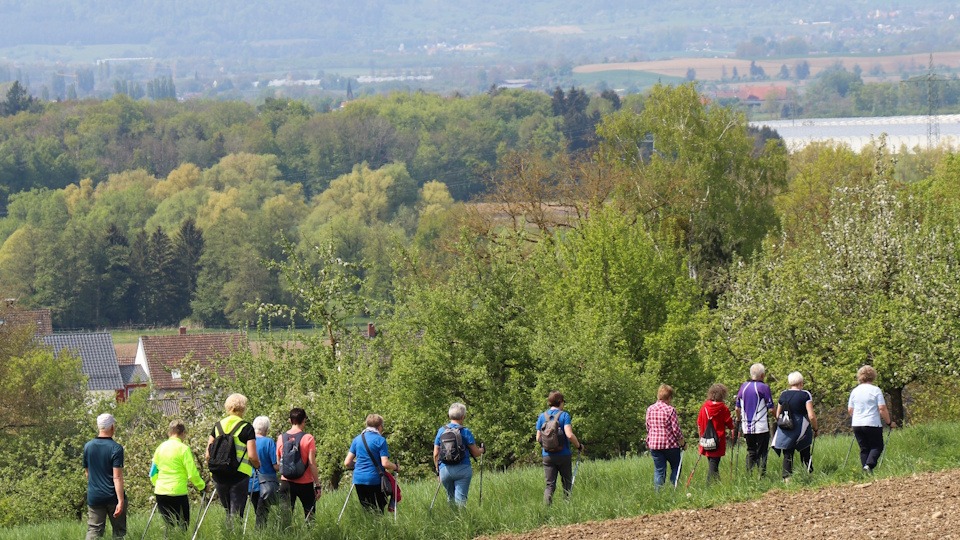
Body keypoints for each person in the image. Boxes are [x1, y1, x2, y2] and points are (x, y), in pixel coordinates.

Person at [205, 393, 260, 527]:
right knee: (236, 514)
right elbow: (252, 456)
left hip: (219, 475)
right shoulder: (246, 427)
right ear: (243, 408)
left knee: (228, 511)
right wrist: (258, 465)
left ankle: (228, 534)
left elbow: (207, 454)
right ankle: (235, 534)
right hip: (239, 475)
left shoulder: (217, 426)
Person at [149, 420, 205, 532]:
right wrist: (202, 486)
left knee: (168, 526)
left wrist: (157, 484)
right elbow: (192, 474)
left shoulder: (160, 448)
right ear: (183, 433)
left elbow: (152, 473)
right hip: (178, 492)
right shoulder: (184, 449)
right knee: (183, 526)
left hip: (161, 492)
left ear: (169, 432)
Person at [83, 413, 127, 540]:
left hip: (95, 495)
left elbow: (87, 473)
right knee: (119, 532)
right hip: (112, 496)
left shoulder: (88, 447)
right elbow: (117, 477)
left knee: (94, 531)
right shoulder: (116, 448)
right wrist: (121, 500)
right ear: (112, 427)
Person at [432, 402, 485, 507]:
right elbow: (475, 453)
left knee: (450, 499)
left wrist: (438, 471)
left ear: (449, 416)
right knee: (460, 501)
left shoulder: (441, 431)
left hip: (445, 470)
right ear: (463, 417)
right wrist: (482, 450)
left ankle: (451, 517)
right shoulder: (465, 431)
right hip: (463, 468)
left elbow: (436, 454)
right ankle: (461, 517)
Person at [535, 391, 583, 504]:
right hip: (563, 454)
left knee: (550, 485)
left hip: (547, 456)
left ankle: (546, 510)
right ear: (560, 402)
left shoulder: (542, 416)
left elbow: (538, 438)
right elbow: (569, 435)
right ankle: (567, 507)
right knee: (567, 483)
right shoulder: (564, 415)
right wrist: (579, 446)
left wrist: (549, 445)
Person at [344, 414, 399, 513]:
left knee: (367, 510)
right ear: (379, 426)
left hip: (359, 479)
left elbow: (347, 463)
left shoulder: (357, 439)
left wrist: (359, 465)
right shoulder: (380, 440)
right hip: (375, 480)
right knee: (378, 511)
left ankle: (367, 522)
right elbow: (385, 463)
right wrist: (395, 467)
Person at [848, 365, 895, 473]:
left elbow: (850, 410)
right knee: (877, 446)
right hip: (872, 423)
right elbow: (882, 408)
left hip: (857, 424)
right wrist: (889, 422)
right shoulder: (875, 390)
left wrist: (857, 417)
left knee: (864, 448)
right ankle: (869, 466)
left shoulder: (854, 391)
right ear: (873, 376)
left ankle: (866, 471)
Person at [772, 371, 818, 480]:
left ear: (789, 383)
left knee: (788, 452)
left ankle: (787, 478)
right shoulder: (805, 394)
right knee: (805, 450)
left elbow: (778, 415)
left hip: (786, 426)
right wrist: (815, 428)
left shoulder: (783, 394)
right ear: (801, 382)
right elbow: (811, 415)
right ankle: (808, 474)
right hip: (801, 426)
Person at [277, 408, 321, 522]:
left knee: (285, 517)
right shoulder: (308, 438)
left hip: (286, 481)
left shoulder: (281, 438)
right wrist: (317, 484)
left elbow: (279, 461)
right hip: (305, 483)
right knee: (310, 515)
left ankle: (285, 532)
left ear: (290, 420)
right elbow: (312, 463)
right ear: (304, 420)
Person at [735, 363, 775, 476]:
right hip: (761, 426)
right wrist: (778, 417)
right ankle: (762, 476)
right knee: (762, 452)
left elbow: (737, 408)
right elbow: (771, 408)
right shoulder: (764, 387)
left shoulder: (743, 387)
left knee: (751, 451)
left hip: (746, 426)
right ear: (762, 375)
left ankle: (749, 476)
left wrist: (738, 419)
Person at [645, 384, 685, 491]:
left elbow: (648, 427)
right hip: (670, 445)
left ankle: (659, 493)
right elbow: (676, 430)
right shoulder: (670, 410)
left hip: (654, 445)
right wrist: (683, 443)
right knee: (676, 466)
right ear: (669, 397)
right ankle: (673, 490)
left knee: (659, 471)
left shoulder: (650, 409)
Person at [697, 384, 734, 483]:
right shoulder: (723, 408)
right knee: (714, 464)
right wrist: (733, 428)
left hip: (706, 440)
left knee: (712, 462)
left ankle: (717, 484)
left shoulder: (704, 407)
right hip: (717, 440)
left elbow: (699, 423)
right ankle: (709, 485)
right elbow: (729, 423)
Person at [249, 415, 279, 528]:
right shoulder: (269, 442)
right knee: (263, 514)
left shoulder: (248, 443)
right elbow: (275, 465)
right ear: (266, 429)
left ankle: (260, 531)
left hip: (251, 483)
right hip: (266, 483)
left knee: (258, 511)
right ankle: (260, 532)